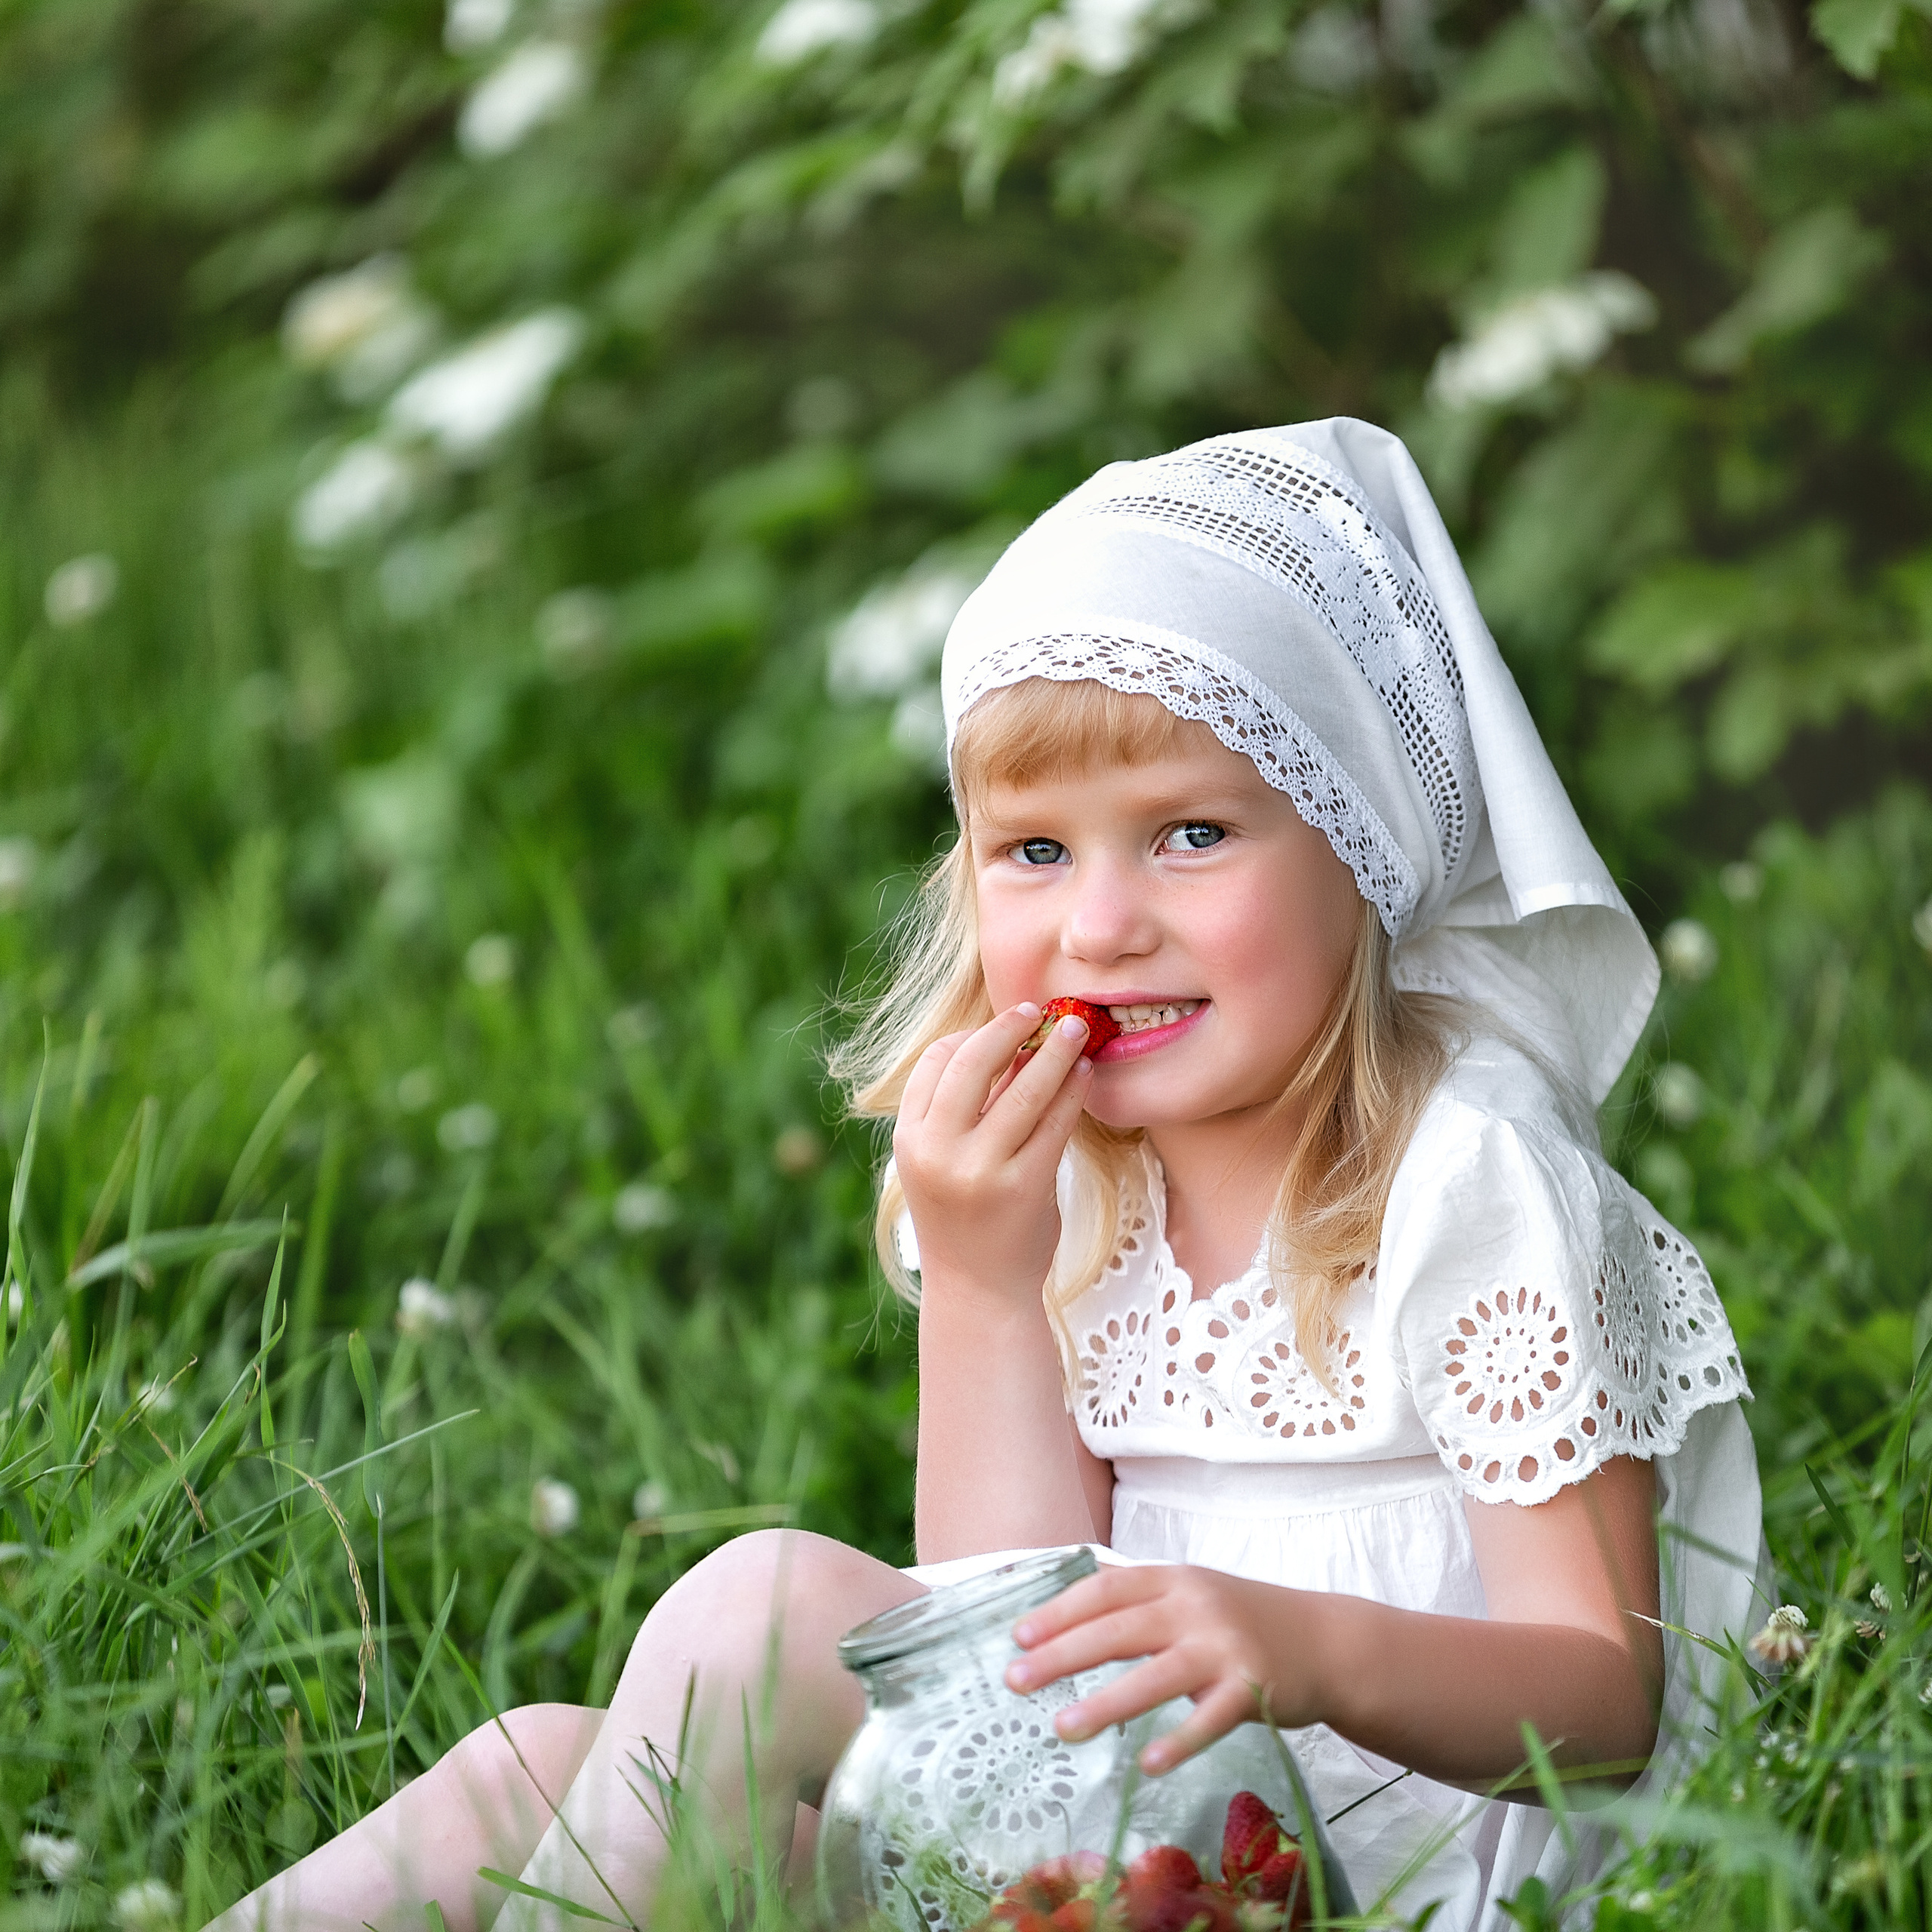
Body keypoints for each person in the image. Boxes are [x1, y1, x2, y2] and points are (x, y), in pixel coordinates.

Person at [211, 418, 1766, 1932]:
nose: (1099, 923)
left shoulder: (1466, 1173)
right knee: (531, 1762)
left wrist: (1297, 1646)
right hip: (1108, 1854)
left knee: (761, 1613)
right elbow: (1003, 1646)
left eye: (1189, 833)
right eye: (1034, 851)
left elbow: (1601, 1695)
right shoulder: (1082, 1172)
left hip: (1370, 1876)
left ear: (1359, 844)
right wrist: (979, 1279)